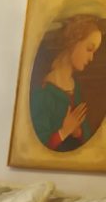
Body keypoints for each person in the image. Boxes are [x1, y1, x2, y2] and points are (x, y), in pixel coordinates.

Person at [30, 14, 103, 151]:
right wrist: (64, 131)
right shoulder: (43, 92)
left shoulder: (75, 85)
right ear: (73, 42)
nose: (91, 58)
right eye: (89, 49)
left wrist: (78, 132)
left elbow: (85, 134)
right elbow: (38, 147)